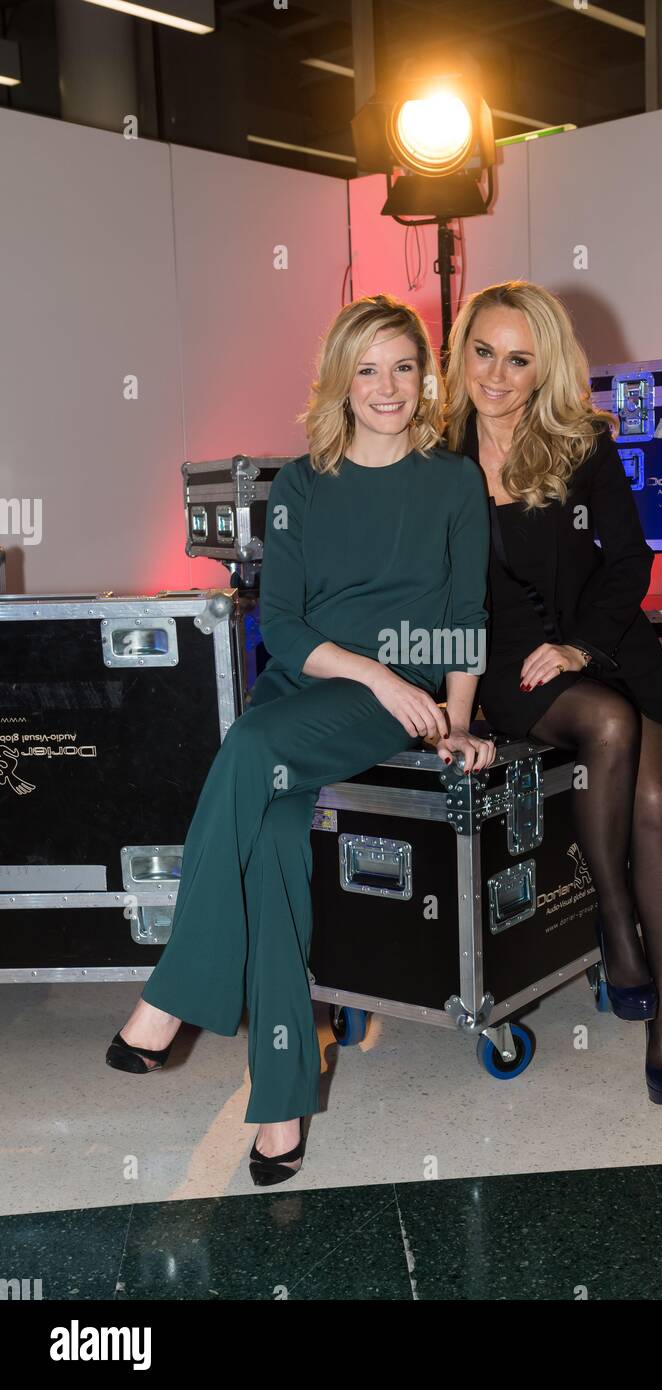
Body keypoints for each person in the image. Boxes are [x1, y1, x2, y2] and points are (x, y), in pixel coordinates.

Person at [105, 293, 496, 1183]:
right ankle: (281, 1103)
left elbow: (466, 618)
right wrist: (371, 672)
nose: (387, 387)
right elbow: (279, 624)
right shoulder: (302, 486)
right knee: (275, 840)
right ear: (340, 383)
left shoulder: (453, 481)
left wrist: (459, 719)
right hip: (321, 683)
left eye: (403, 366)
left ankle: (171, 999)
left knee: (246, 750)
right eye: (367, 369)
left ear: (425, 377)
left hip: (407, 692)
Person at [446, 280, 662, 1104]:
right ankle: (614, 922)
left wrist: (581, 642)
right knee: (610, 727)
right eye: (483, 352)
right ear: (462, 350)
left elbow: (629, 560)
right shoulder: (434, 453)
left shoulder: (578, 441)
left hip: (608, 641)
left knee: (656, 808)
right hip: (514, 665)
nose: (496, 375)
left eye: (518, 360)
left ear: (543, 367)